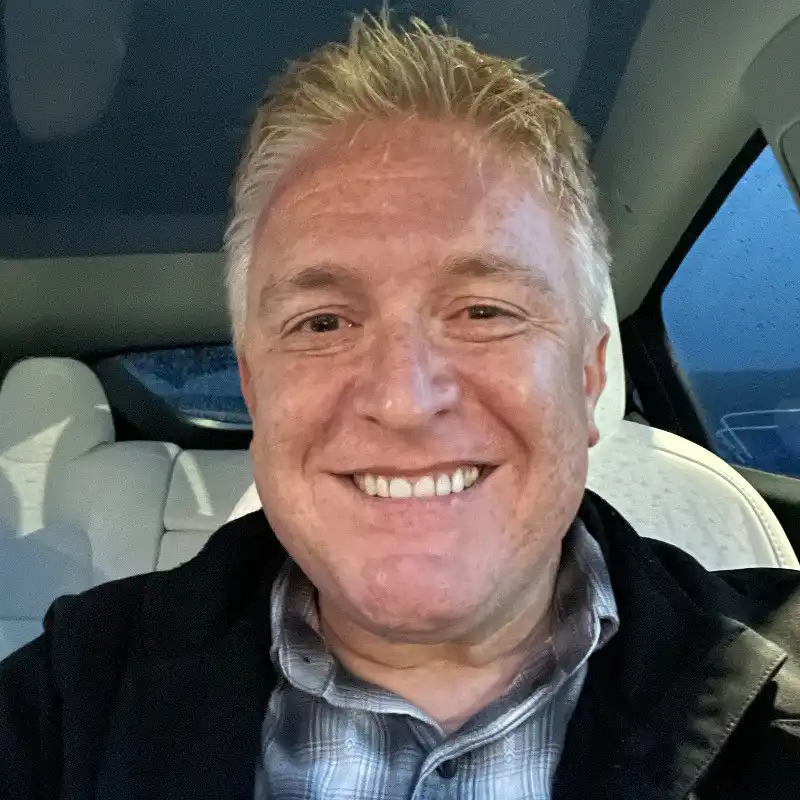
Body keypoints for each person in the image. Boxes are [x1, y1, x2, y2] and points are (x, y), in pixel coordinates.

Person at [1, 12, 799, 800]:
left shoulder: (782, 699)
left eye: (483, 311)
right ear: (255, 388)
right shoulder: (63, 707)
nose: (403, 400)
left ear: (589, 376)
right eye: (323, 323)